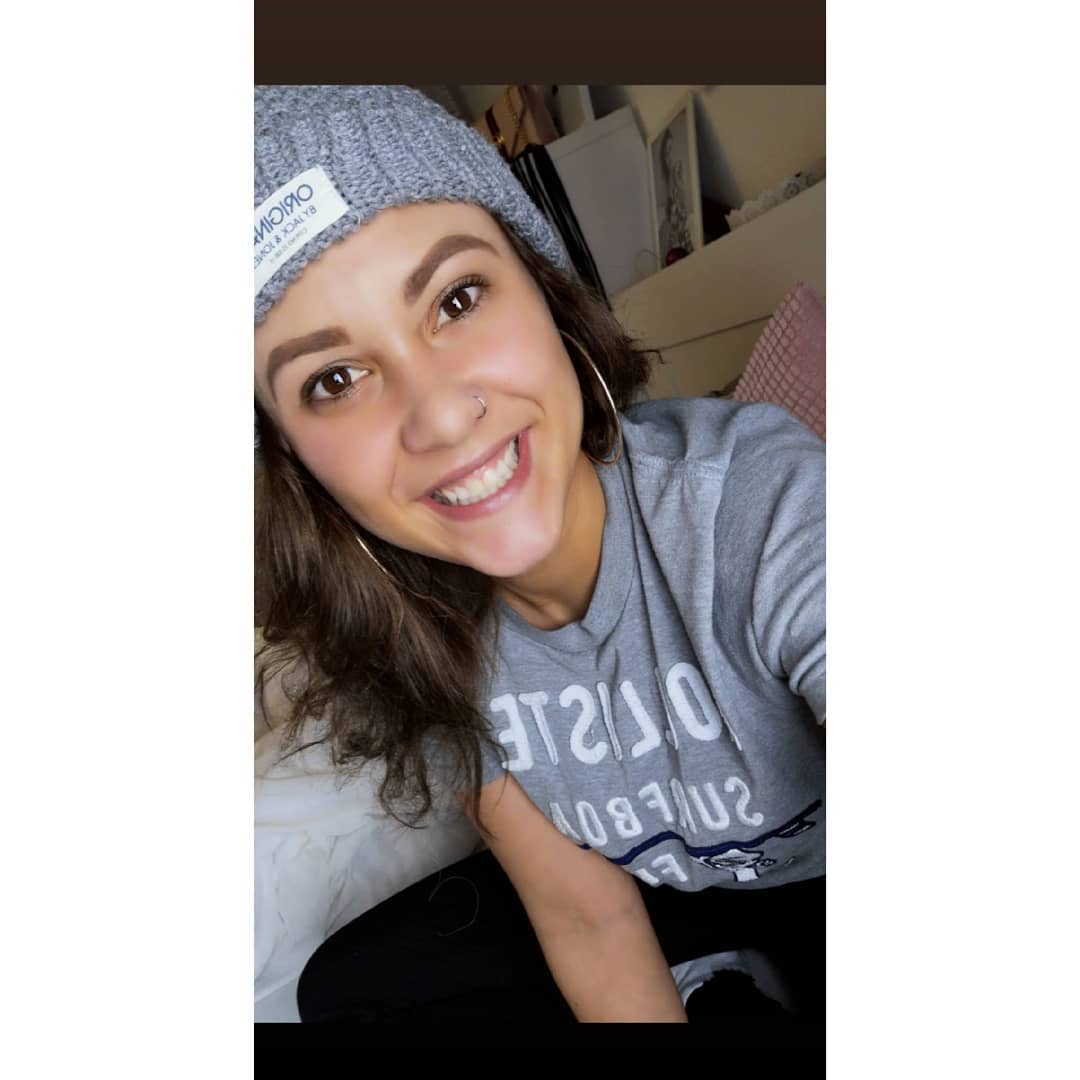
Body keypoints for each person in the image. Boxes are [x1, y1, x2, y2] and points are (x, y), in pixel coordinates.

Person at [253, 85, 825, 1026]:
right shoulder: (421, 633)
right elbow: (589, 918)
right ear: (292, 462)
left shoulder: (761, 504)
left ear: (546, 290)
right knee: (346, 989)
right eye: (336, 379)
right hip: (672, 890)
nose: (441, 416)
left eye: (457, 299)